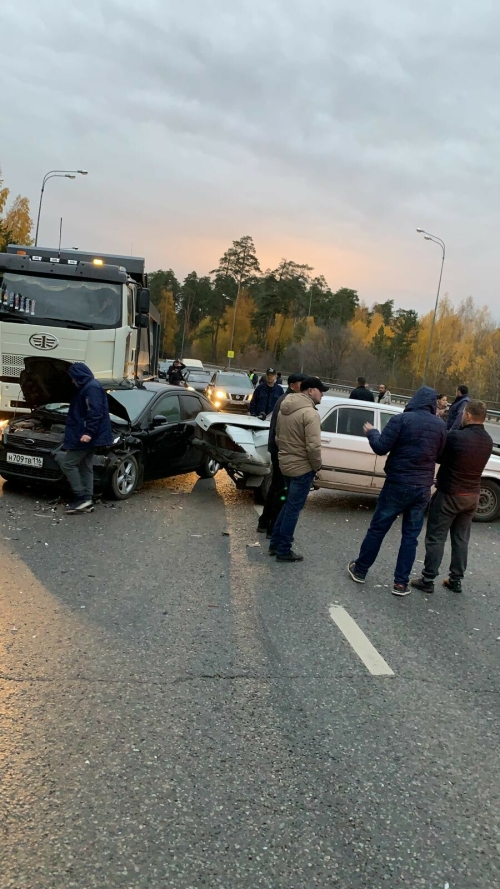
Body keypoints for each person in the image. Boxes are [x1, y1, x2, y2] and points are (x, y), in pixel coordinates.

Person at [348, 386, 446, 595]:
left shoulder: (401, 420)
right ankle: (400, 583)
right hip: (421, 488)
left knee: (378, 529)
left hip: (397, 484)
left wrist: (372, 432)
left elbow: (381, 447)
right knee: (410, 536)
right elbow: (440, 456)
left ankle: (361, 570)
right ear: (432, 404)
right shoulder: (440, 425)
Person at [411, 401, 493, 595]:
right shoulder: (488, 441)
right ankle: (456, 580)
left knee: (436, 537)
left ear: (469, 416)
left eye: (464, 413)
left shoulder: (456, 437)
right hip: (472, 495)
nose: (462, 415)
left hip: (450, 494)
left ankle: (428, 578)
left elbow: (438, 456)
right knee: (461, 539)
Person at [269, 376, 329, 562]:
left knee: (288, 504)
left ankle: (275, 543)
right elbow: (313, 447)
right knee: (293, 509)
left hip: (286, 464)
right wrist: (317, 466)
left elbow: (278, 438)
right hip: (303, 468)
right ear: (310, 391)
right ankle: (283, 549)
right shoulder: (310, 414)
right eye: (320, 391)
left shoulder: (285, 408)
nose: (322, 395)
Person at [57, 363, 113, 514]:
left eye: (72, 377)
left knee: (68, 464)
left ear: (78, 376)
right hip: (90, 434)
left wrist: (88, 433)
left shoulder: (90, 388)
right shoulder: (89, 386)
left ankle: (81, 498)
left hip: (87, 435)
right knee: (85, 466)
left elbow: (95, 412)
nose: (71, 381)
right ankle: (87, 500)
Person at [257, 373, 307, 536]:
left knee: (275, 488)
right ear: (293, 385)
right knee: (280, 491)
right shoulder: (288, 402)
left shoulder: (285, 399)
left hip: (277, 448)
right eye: (302, 384)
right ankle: (272, 527)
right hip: (281, 450)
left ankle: (265, 521)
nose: (304, 387)